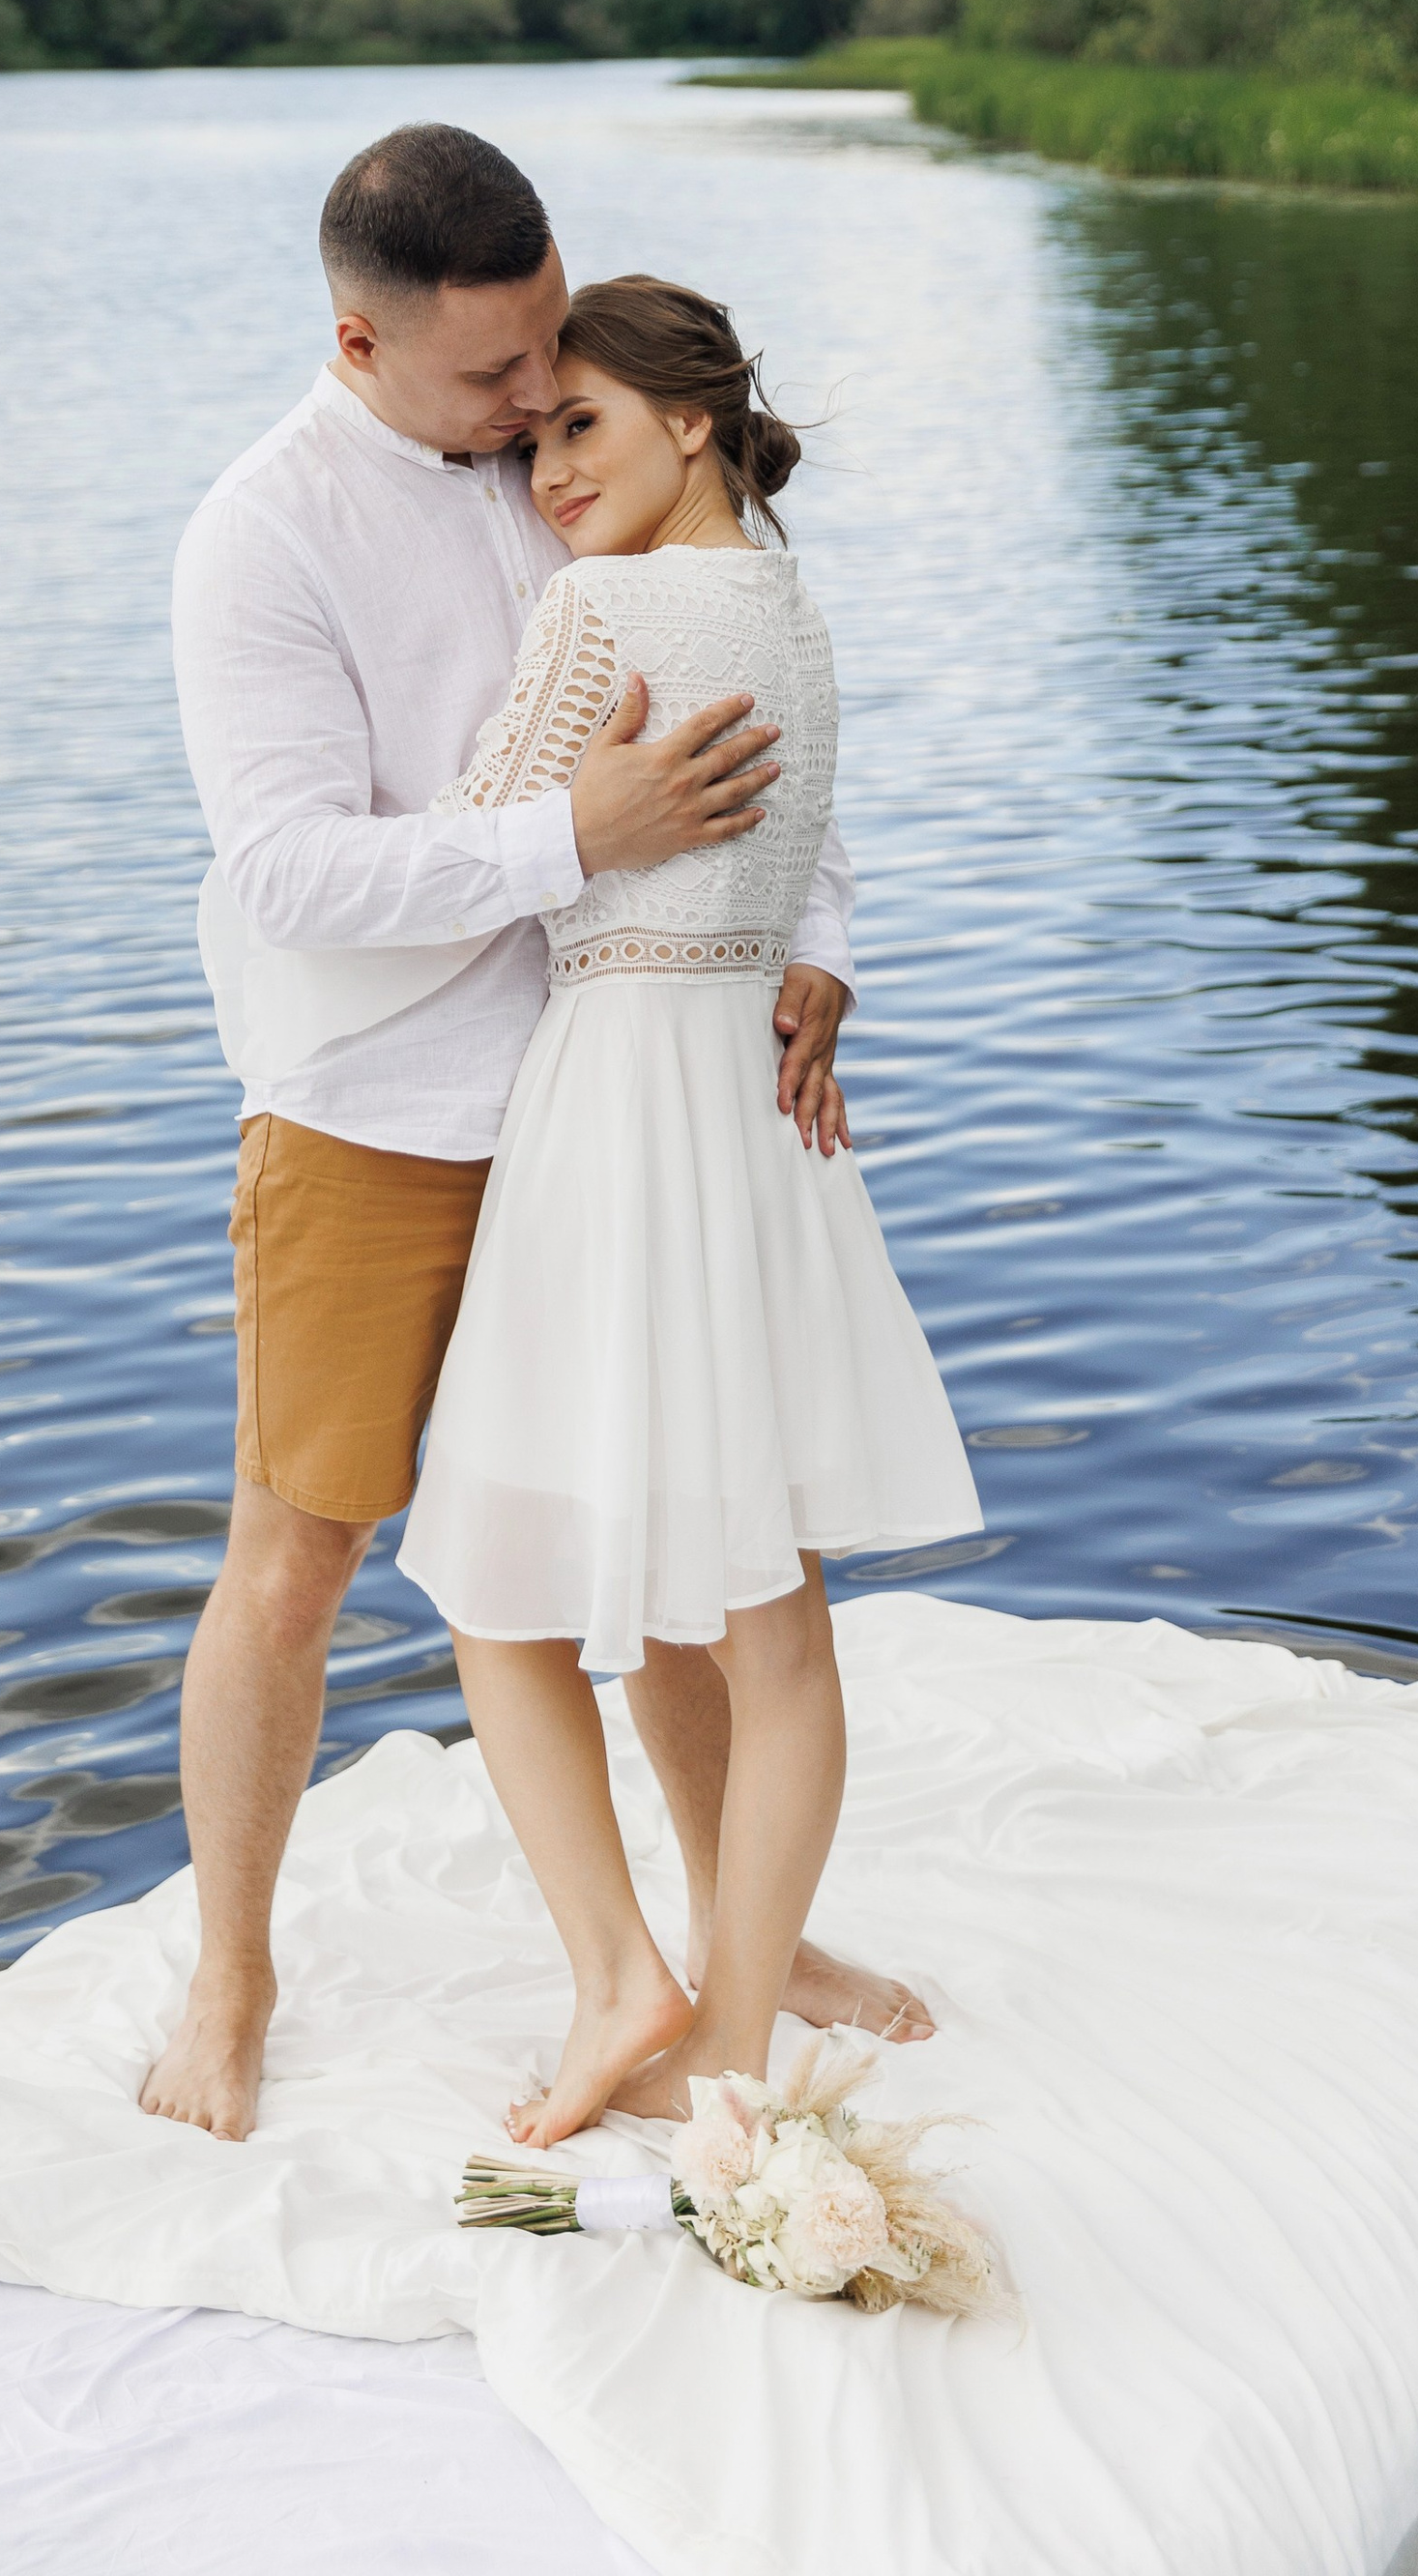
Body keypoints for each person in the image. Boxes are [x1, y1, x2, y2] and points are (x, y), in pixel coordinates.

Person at [146, 126, 930, 2141]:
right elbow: (291, 875)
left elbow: (760, 767)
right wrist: (568, 839)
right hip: (383, 1110)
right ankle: (230, 1976)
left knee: (678, 1522)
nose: (526, 418)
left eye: (547, 372)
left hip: (627, 1110)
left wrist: (813, 950)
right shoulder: (264, 536)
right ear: (357, 337)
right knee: (302, 1548)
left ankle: (722, 1942)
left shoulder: (586, 452)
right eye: (492, 380)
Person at [395, 274, 980, 2142]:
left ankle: (643, 1981)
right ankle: (740, 2019)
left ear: (691, 423)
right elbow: (795, 841)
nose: (546, 470)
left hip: (621, 1097)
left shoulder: (593, 610)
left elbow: (480, 839)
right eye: (537, 434)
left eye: (582, 428)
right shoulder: (792, 610)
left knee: (503, 1569)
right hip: (751, 1096)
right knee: (764, 1602)